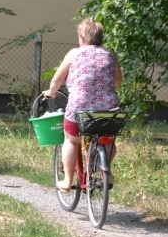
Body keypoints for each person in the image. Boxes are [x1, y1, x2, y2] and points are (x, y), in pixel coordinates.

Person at [43, 17, 122, 191]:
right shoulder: (109, 54)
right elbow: (117, 81)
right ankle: (106, 174)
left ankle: (67, 181)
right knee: (107, 139)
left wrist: (51, 92)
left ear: (82, 37)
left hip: (80, 106)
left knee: (71, 141)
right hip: (108, 108)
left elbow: (57, 79)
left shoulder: (74, 53)